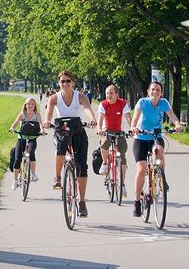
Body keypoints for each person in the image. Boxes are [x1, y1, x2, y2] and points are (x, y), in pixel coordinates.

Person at [43, 70, 97, 217]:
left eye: (68, 81)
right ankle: (58, 177)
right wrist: (47, 122)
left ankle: (82, 202)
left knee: (81, 166)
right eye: (62, 81)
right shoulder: (54, 98)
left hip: (77, 129)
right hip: (61, 128)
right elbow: (48, 112)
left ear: (73, 82)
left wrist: (92, 118)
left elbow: (87, 109)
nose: (65, 84)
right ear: (59, 83)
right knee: (60, 148)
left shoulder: (80, 96)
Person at [130, 81, 182, 217]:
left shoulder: (163, 103)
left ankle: (160, 177)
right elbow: (135, 118)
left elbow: (172, 115)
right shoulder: (142, 102)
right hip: (141, 137)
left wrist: (177, 124)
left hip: (156, 136)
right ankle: (136, 202)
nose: (155, 92)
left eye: (158, 90)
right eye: (153, 89)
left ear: (161, 93)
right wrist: (133, 127)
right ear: (148, 91)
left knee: (158, 150)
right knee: (141, 168)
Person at [97, 85, 132, 198]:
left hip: (118, 131)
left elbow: (128, 116)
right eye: (107, 93)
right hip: (106, 130)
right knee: (105, 143)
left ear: (117, 94)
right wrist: (99, 129)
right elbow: (100, 118)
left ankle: (122, 184)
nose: (109, 96)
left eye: (111, 93)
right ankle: (105, 163)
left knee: (122, 156)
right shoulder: (103, 104)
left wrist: (132, 128)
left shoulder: (122, 103)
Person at [9, 98, 44, 189]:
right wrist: (12, 128)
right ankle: (15, 180)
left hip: (32, 138)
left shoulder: (37, 115)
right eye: (28, 104)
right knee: (17, 159)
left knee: (31, 153)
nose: (30, 105)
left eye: (32, 104)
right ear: (25, 105)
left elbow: (41, 124)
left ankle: (33, 174)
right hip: (22, 138)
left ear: (34, 106)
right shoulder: (22, 115)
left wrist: (43, 130)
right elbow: (15, 123)